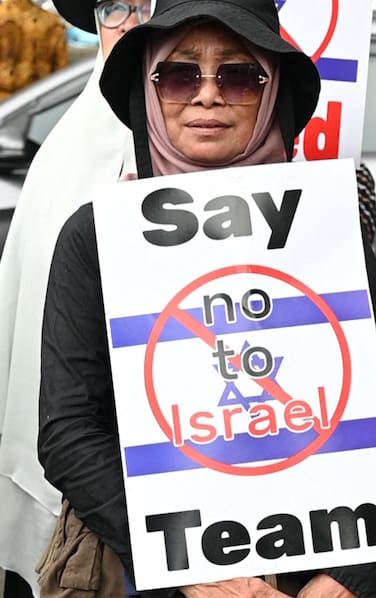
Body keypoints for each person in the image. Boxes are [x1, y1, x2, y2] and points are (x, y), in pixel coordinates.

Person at [37, 1, 376, 597]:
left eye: (239, 76)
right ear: (148, 89)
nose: (208, 95)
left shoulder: (327, 224)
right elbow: (68, 433)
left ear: (273, 96)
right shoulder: (94, 237)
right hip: (150, 574)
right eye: (180, 74)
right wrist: (201, 576)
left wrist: (349, 577)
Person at [0, 1, 151, 596]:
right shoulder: (68, 148)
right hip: (78, 483)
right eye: (116, 8)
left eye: (151, 8)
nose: (131, 25)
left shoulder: (206, 136)